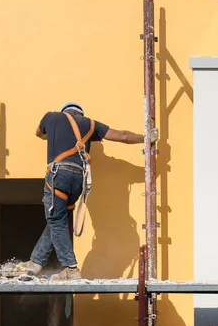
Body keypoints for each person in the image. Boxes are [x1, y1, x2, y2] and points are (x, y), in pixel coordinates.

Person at [16, 102, 159, 281]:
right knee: (58, 221)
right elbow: (122, 136)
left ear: (65, 112)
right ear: (80, 115)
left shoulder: (52, 117)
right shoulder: (91, 125)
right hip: (79, 181)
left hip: (58, 175)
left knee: (55, 220)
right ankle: (36, 261)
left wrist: (54, 133)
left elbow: (39, 133)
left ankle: (71, 268)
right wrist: (147, 137)